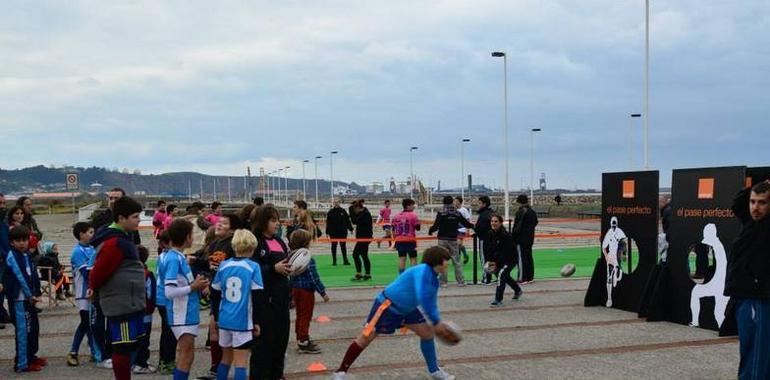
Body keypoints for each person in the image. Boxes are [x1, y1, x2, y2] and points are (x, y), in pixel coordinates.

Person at [332, 246, 457, 380]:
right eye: (446, 260)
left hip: (407, 310)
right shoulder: (422, 271)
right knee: (365, 338)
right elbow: (423, 297)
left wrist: (436, 321)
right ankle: (340, 372)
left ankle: (434, 371)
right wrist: (436, 322)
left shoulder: (434, 278)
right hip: (387, 306)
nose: (448, 263)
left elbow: (431, 302)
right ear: (438, 260)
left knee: (427, 333)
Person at [88, 196, 147, 380]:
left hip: (129, 300)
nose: (139, 220)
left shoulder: (123, 237)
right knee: (122, 345)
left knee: (131, 344)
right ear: (121, 218)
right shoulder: (114, 243)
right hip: (121, 303)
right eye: (135, 216)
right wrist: (93, 288)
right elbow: (99, 271)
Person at [725, 180, 770, 379]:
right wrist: (763, 182)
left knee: (758, 354)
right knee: (748, 349)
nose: (755, 208)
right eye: (752, 202)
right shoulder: (750, 222)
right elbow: (737, 203)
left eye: (762, 202)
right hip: (743, 296)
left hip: (760, 297)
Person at [210, 229, 264, 380]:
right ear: (252, 247)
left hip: (225, 318)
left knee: (225, 358)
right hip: (242, 321)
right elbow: (257, 297)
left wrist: (216, 316)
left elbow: (214, 293)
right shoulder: (253, 267)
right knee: (241, 362)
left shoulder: (223, 265)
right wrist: (257, 321)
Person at [164, 218, 210, 380]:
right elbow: (169, 291)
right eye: (192, 234)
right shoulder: (174, 259)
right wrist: (193, 287)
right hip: (181, 314)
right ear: (187, 237)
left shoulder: (177, 257)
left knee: (188, 355)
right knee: (186, 355)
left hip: (186, 312)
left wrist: (199, 287)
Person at [248, 204, 291, 379]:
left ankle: (278, 375)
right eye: (273, 220)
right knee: (263, 346)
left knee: (281, 343)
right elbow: (252, 269)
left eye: (278, 220)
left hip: (281, 301)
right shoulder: (255, 242)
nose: (277, 224)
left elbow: (285, 264)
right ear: (263, 221)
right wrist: (273, 269)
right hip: (265, 303)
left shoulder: (279, 241)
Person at [4, 225, 45, 373]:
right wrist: (30, 295)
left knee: (33, 329)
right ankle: (22, 363)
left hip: (30, 299)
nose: (22, 243)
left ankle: (31, 356)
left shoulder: (27, 255)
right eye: (18, 240)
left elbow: (33, 275)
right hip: (20, 300)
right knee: (23, 331)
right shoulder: (12, 256)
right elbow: (21, 277)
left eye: (24, 240)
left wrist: (37, 292)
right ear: (11, 242)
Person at [289, 228, 330, 354]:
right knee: (306, 316)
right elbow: (314, 278)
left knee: (300, 315)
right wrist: (323, 292)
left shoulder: (291, 255)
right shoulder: (307, 259)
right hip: (306, 291)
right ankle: (304, 340)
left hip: (295, 289)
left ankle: (300, 337)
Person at [67, 222, 97, 367]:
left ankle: (94, 351)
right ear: (81, 234)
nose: (93, 235)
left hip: (92, 292)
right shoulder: (77, 252)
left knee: (92, 323)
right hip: (82, 293)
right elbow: (87, 273)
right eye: (90, 232)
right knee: (85, 323)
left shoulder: (92, 248)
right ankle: (73, 352)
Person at [428, 196, 473, 287]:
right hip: (453, 239)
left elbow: (436, 225)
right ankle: (461, 281)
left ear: (444, 202)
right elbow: (465, 223)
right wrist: (474, 226)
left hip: (442, 239)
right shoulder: (457, 213)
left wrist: (430, 231)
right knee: (456, 260)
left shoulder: (441, 212)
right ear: (452, 202)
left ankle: (443, 282)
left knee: (442, 260)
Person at [486, 215, 523, 307]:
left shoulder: (505, 235)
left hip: (509, 260)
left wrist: (497, 263)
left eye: (496, 221)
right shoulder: (490, 233)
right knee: (504, 276)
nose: (493, 223)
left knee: (501, 275)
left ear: (500, 223)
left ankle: (498, 299)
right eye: (492, 221)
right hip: (497, 259)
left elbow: (507, 251)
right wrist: (490, 261)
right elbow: (489, 248)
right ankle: (517, 290)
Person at [154, 231, 177, 374]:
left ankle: (164, 360)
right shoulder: (171, 258)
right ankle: (167, 362)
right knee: (170, 332)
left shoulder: (162, 256)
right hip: (167, 299)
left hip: (161, 297)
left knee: (166, 331)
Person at [132, 245, 157, 374]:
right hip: (145, 311)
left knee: (134, 337)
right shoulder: (147, 274)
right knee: (144, 339)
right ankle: (141, 363)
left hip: (131, 310)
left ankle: (134, 361)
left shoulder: (128, 272)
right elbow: (151, 294)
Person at [512, 194, 538, 284]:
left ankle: (522, 277)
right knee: (528, 257)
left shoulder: (521, 212)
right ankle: (530, 277)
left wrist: (513, 237)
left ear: (519, 201)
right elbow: (535, 222)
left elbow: (517, 227)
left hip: (521, 238)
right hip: (530, 237)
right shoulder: (532, 211)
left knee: (521, 258)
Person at [602, 216, 626, 308]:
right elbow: (604, 247)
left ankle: (618, 271)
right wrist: (606, 257)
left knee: (618, 278)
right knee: (609, 277)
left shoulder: (620, 232)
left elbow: (624, 243)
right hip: (611, 255)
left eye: (615, 225)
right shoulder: (608, 233)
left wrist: (623, 255)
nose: (614, 227)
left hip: (618, 255)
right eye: (613, 226)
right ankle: (609, 298)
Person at [391, 198, 421, 274]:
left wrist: (394, 241)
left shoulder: (396, 216)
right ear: (408, 206)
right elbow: (418, 228)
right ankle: (413, 277)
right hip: (410, 240)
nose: (414, 207)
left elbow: (393, 229)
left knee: (401, 259)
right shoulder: (413, 216)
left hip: (399, 240)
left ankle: (401, 277)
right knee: (413, 259)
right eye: (412, 205)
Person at [351, 200, 373, 281]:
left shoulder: (365, 214)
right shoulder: (363, 213)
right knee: (364, 255)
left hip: (364, 237)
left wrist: (351, 212)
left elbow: (355, 221)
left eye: (355, 209)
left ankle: (360, 273)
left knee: (355, 254)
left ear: (358, 208)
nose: (354, 211)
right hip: (363, 237)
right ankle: (366, 273)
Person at [325, 200, 353, 266]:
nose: (336, 203)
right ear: (333, 203)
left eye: (337, 202)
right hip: (333, 232)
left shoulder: (343, 211)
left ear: (339, 203)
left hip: (342, 231)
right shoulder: (330, 212)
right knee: (334, 246)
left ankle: (345, 260)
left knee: (343, 246)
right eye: (335, 202)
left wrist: (350, 228)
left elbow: (347, 220)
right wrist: (327, 232)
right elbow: (328, 223)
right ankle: (334, 261)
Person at [475, 196, 495, 285]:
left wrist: (476, 230)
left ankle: (487, 278)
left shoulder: (483, 215)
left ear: (484, 204)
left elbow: (480, 228)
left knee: (485, 259)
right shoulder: (491, 213)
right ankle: (490, 276)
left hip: (484, 239)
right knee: (490, 258)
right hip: (492, 239)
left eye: (479, 203)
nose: (477, 205)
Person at [453, 197, 471, 264]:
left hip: (462, 229)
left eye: (456, 201)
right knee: (457, 245)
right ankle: (465, 255)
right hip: (454, 229)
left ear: (460, 202)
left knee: (458, 243)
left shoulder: (464, 210)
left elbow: (468, 220)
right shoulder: (453, 210)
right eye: (454, 201)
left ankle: (459, 258)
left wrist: (468, 230)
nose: (455, 202)